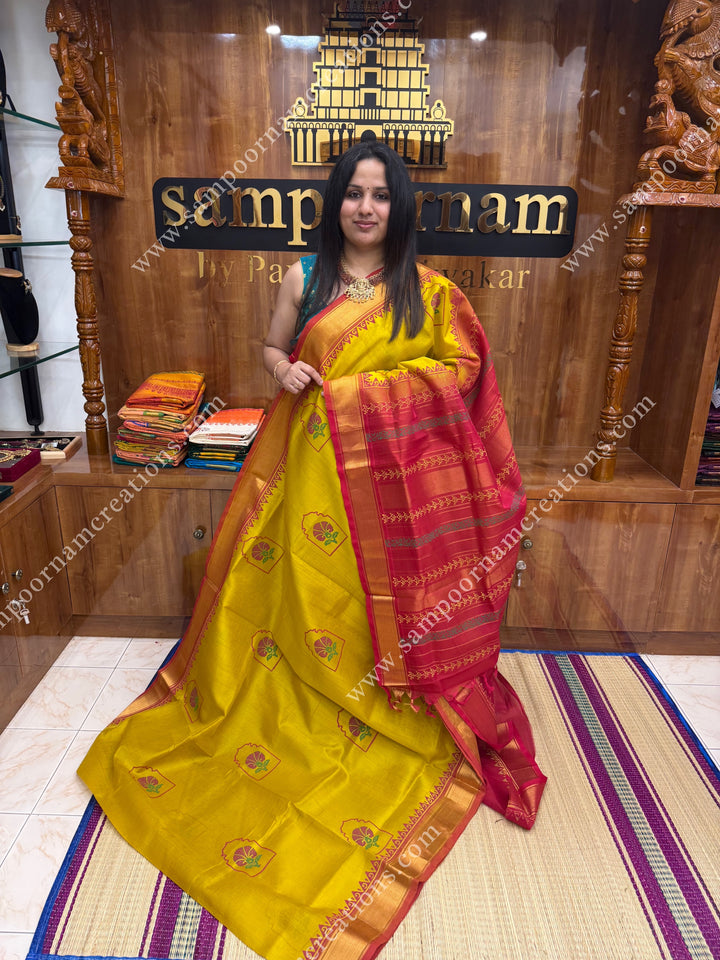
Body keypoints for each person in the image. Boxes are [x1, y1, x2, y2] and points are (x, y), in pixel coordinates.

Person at [78, 139, 546, 960]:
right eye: (354, 193)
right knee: (310, 595)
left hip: (398, 501)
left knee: (378, 607)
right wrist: (282, 371)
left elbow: (463, 373)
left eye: (381, 195)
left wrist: (373, 394)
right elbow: (271, 349)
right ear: (335, 202)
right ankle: (309, 689)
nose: (367, 207)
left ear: (400, 208)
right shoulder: (305, 279)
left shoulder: (427, 293)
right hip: (314, 481)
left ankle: (383, 693)